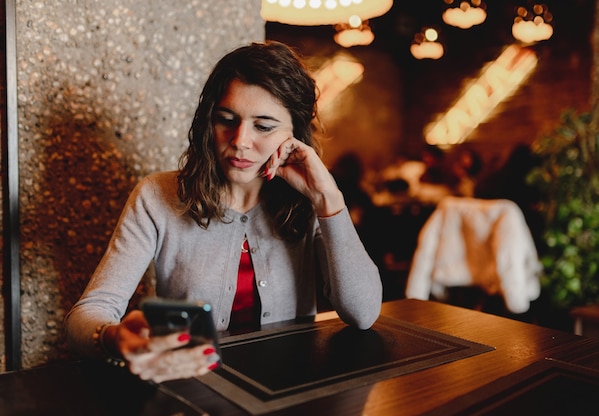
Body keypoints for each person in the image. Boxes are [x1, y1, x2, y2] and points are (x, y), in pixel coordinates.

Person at [64, 41, 383, 383]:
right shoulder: (157, 196)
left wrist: (328, 200)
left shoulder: (307, 200)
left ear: (295, 134)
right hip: (194, 390)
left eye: (264, 126)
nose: (240, 140)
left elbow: (363, 313)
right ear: (208, 121)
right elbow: (86, 314)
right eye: (226, 119)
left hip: (289, 391)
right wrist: (115, 338)